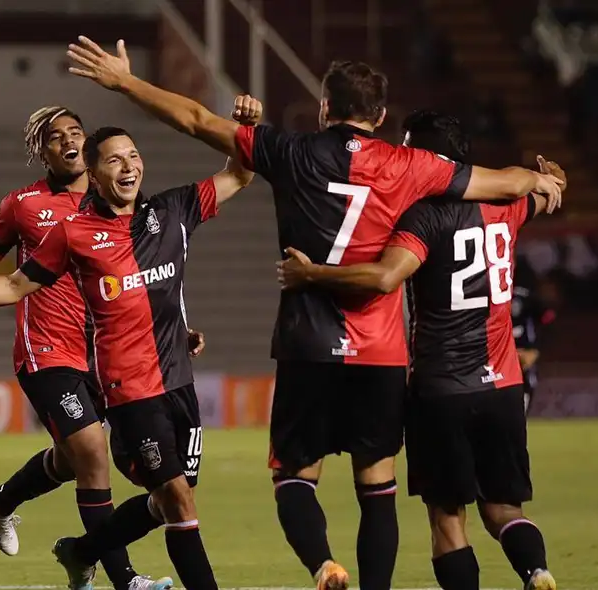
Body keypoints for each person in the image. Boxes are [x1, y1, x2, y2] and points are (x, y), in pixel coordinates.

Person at [64, 37, 564, 590]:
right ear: (379, 115)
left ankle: (323, 565)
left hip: (308, 344)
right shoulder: (412, 165)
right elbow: (497, 182)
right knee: (377, 484)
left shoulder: (292, 151)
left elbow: (196, 119)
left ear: (325, 108)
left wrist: (126, 83)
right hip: (380, 353)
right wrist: (537, 179)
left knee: (295, 477)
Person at [0, 118, 259, 590]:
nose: (128, 166)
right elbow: (14, 286)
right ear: (94, 174)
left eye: (133, 155)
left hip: (178, 380)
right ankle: (127, 578)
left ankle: (80, 549)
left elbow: (238, 174)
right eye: (114, 160)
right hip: (126, 387)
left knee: (170, 498)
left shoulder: (173, 210)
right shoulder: (71, 232)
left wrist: (245, 127)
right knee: (171, 496)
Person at [276, 111, 560, 590]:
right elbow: (546, 193)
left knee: (447, 521)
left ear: (429, 157)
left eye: (410, 148)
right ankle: (537, 571)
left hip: (442, 387)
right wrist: (553, 179)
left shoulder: (425, 216)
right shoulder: (508, 207)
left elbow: (386, 276)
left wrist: (313, 275)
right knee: (505, 509)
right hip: (505, 386)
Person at [511, 282, 555, 416]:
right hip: (525, 348)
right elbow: (548, 316)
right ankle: (520, 414)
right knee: (526, 381)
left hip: (506, 349)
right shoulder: (527, 295)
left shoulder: (494, 292)